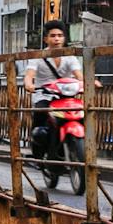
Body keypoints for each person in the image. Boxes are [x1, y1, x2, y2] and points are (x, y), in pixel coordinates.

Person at [23, 19, 82, 177]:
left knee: (84, 114)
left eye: (60, 35)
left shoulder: (71, 57)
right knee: (41, 113)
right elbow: (29, 76)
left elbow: (79, 76)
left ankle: (82, 149)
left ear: (64, 38)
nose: (56, 39)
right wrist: (29, 84)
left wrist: (91, 82)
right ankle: (38, 153)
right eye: (53, 35)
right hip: (44, 95)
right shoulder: (38, 56)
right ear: (46, 39)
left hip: (66, 96)